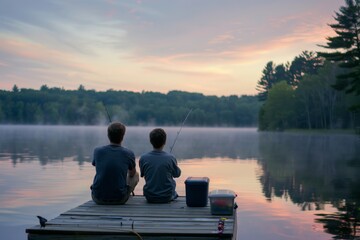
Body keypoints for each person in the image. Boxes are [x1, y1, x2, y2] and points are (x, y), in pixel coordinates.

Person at [91, 122, 139, 205]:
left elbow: (95, 164)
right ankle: (123, 191)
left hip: (97, 198)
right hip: (120, 199)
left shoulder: (97, 151)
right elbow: (132, 174)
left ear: (108, 135)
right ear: (123, 136)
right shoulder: (129, 153)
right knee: (136, 175)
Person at [139, 128, 181, 203]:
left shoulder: (143, 158)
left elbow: (143, 174)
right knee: (172, 181)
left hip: (149, 197)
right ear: (164, 142)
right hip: (167, 197)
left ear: (150, 141)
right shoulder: (170, 158)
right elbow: (177, 174)